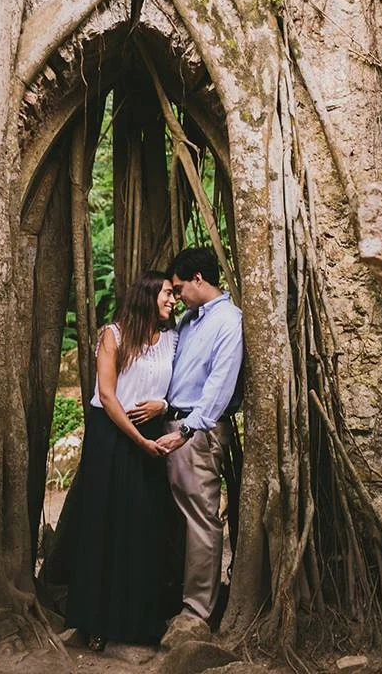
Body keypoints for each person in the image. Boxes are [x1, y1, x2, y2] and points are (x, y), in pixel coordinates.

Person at [62, 270, 184, 649]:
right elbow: (107, 394)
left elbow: (180, 388)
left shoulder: (172, 340)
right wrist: (139, 441)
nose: (173, 300)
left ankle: (140, 621)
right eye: (167, 293)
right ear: (148, 295)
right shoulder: (112, 336)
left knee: (144, 525)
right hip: (112, 436)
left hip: (152, 434)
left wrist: (163, 405)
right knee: (105, 523)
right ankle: (96, 622)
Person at [156, 246, 244, 630]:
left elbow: (219, 386)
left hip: (197, 432)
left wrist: (188, 430)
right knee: (174, 518)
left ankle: (196, 613)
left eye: (179, 289)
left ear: (198, 279)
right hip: (170, 425)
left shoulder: (228, 321)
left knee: (201, 520)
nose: (176, 297)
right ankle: (170, 597)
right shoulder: (190, 320)